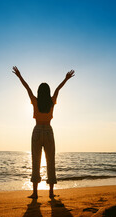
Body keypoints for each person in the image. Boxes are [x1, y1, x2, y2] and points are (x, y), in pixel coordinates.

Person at [12, 66, 75, 199]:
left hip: (36, 131)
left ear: (39, 92)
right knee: (50, 160)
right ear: (48, 92)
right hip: (48, 131)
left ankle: (35, 193)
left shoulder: (35, 101)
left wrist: (19, 76)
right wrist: (66, 79)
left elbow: (27, 88)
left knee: (36, 161)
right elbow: (58, 89)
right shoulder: (52, 101)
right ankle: (51, 193)